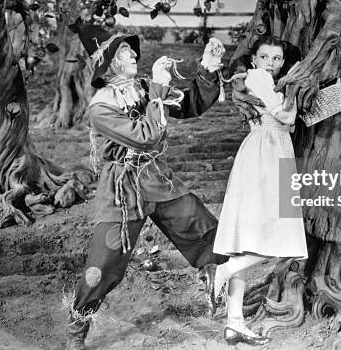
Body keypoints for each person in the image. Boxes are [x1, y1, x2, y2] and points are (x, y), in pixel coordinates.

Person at [66, 23, 228, 350]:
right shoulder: (101, 107)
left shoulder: (140, 87)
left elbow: (188, 103)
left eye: (130, 49)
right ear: (109, 63)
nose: (132, 54)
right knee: (104, 264)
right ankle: (77, 325)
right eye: (123, 51)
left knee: (200, 224)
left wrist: (208, 67)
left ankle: (219, 286)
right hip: (121, 191)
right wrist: (157, 87)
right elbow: (147, 135)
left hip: (156, 177)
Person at [211, 36, 308, 346]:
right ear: (254, 59)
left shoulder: (264, 81)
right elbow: (286, 116)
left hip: (271, 152)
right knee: (281, 235)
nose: (271, 62)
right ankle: (225, 270)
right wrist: (292, 98)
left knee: (248, 238)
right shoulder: (259, 77)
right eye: (264, 56)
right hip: (267, 153)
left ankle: (234, 322)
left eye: (277, 58)